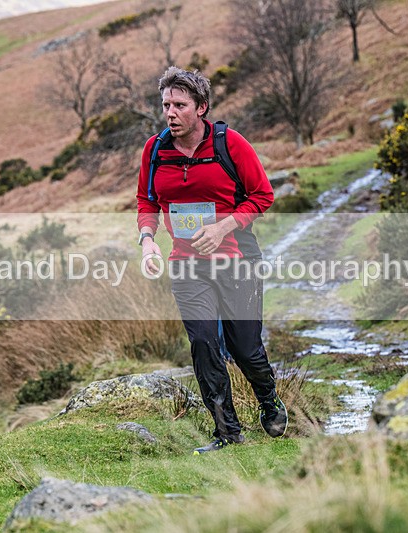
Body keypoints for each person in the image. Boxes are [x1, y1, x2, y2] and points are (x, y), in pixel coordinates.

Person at [136, 67, 288, 454]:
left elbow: (262, 195)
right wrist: (148, 240)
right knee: (204, 344)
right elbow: (147, 202)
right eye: (166, 105)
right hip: (187, 264)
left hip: (237, 258)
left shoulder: (230, 144)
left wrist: (223, 227)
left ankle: (268, 400)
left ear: (201, 107)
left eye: (180, 105)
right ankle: (227, 432)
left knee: (245, 349)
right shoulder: (155, 150)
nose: (170, 113)